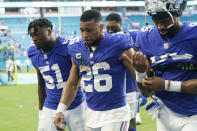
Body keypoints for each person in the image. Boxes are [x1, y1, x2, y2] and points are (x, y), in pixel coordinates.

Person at [54, 9, 136, 131]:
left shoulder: (118, 43)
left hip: (115, 112)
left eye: (89, 30)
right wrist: (60, 110)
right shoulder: (76, 48)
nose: (84, 35)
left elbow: (138, 75)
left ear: (101, 27)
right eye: (82, 30)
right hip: (91, 113)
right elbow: (72, 84)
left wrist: (144, 83)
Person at [132, 0, 197, 131]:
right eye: (155, 19)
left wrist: (166, 85)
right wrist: (140, 73)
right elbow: (146, 93)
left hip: (194, 112)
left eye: (165, 19)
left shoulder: (193, 35)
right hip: (164, 112)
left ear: (178, 13)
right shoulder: (146, 38)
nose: (160, 26)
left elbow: (162, 84)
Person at [27, 18, 86, 131]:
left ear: (49, 31)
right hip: (51, 106)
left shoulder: (69, 47)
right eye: (32, 36)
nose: (34, 39)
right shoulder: (33, 52)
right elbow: (41, 84)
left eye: (37, 35)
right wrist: (41, 111)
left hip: (76, 105)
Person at [105, 12, 138, 131]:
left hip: (129, 87)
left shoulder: (132, 35)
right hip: (113, 89)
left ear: (120, 24)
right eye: (108, 27)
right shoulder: (105, 39)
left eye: (113, 27)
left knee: (131, 122)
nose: (110, 31)